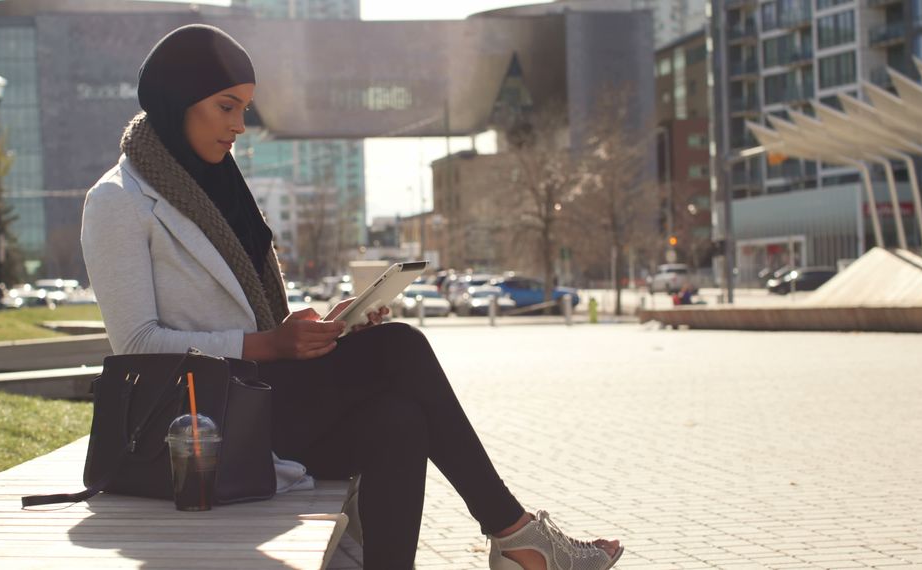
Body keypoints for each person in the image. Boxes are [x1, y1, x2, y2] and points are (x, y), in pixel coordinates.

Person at [80, 24, 623, 570]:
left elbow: (252, 318)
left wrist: (327, 331)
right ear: (179, 99)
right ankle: (515, 533)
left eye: (244, 109)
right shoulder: (118, 201)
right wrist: (272, 344)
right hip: (196, 433)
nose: (239, 126)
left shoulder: (220, 191)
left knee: (399, 419)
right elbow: (137, 345)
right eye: (227, 107)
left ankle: (500, 542)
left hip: (258, 402)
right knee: (401, 348)